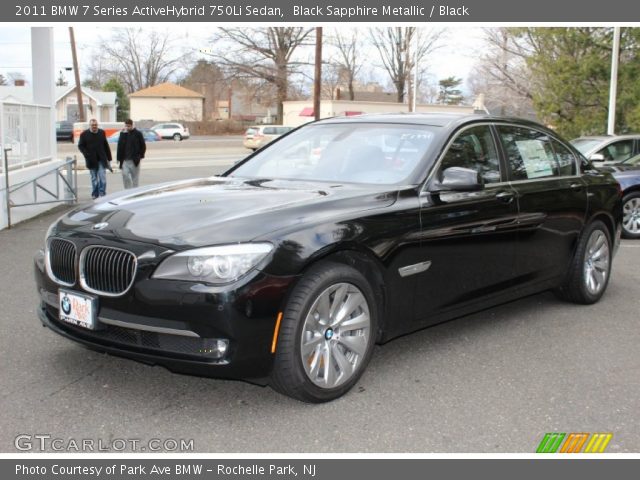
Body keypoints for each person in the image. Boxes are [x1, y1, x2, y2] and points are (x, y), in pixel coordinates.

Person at [78, 118, 112, 199]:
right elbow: (80, 146)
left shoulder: (101, 132)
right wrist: (87, 154)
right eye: (92, 125)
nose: (94, 126)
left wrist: (109, 158)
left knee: (102, 178)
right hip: (91, 160)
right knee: (94, 179)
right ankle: (95, 194)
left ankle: (102, 193)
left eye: (96, 125)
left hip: (101, 160)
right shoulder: (84, 134)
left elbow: (106, 145)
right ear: (89, 125)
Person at [116, 119, 146, 189]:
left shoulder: (138, 134)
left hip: (135, 160)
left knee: (135, 179)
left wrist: (140, 156)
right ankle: (128, 192)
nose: (127, 128)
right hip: (125, 160)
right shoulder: (123, 134)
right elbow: (119, 146)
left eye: (129, 126)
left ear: (132, 125)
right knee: (125, 175)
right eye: (126, 126)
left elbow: (143, 146)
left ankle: (134, 193)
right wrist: (118, 158)